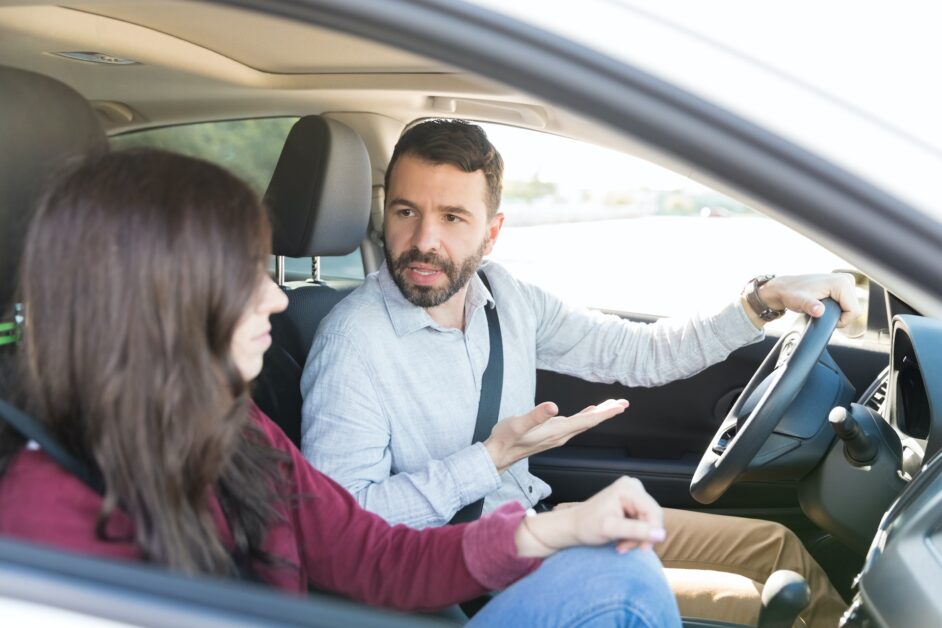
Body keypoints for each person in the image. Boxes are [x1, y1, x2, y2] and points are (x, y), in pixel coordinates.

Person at [0, 148, 682, 627]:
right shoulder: (39, 530)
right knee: (622, 588)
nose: (272, 297)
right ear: (158, 301)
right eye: (243, 275)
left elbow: (373, 554)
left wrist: (560, 527)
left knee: (613, 567)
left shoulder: (234, 430)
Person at [300, 120, 859, 626]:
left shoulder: (507, 298)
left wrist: (763, 301)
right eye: (406, 212)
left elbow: (641, 353)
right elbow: (342, 531)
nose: (424, 240)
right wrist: (487, 460)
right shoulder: (353, 343)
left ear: (491, 233)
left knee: (777, 550)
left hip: (542, 523)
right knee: (756, 605)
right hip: (467, 576)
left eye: (452, 217)